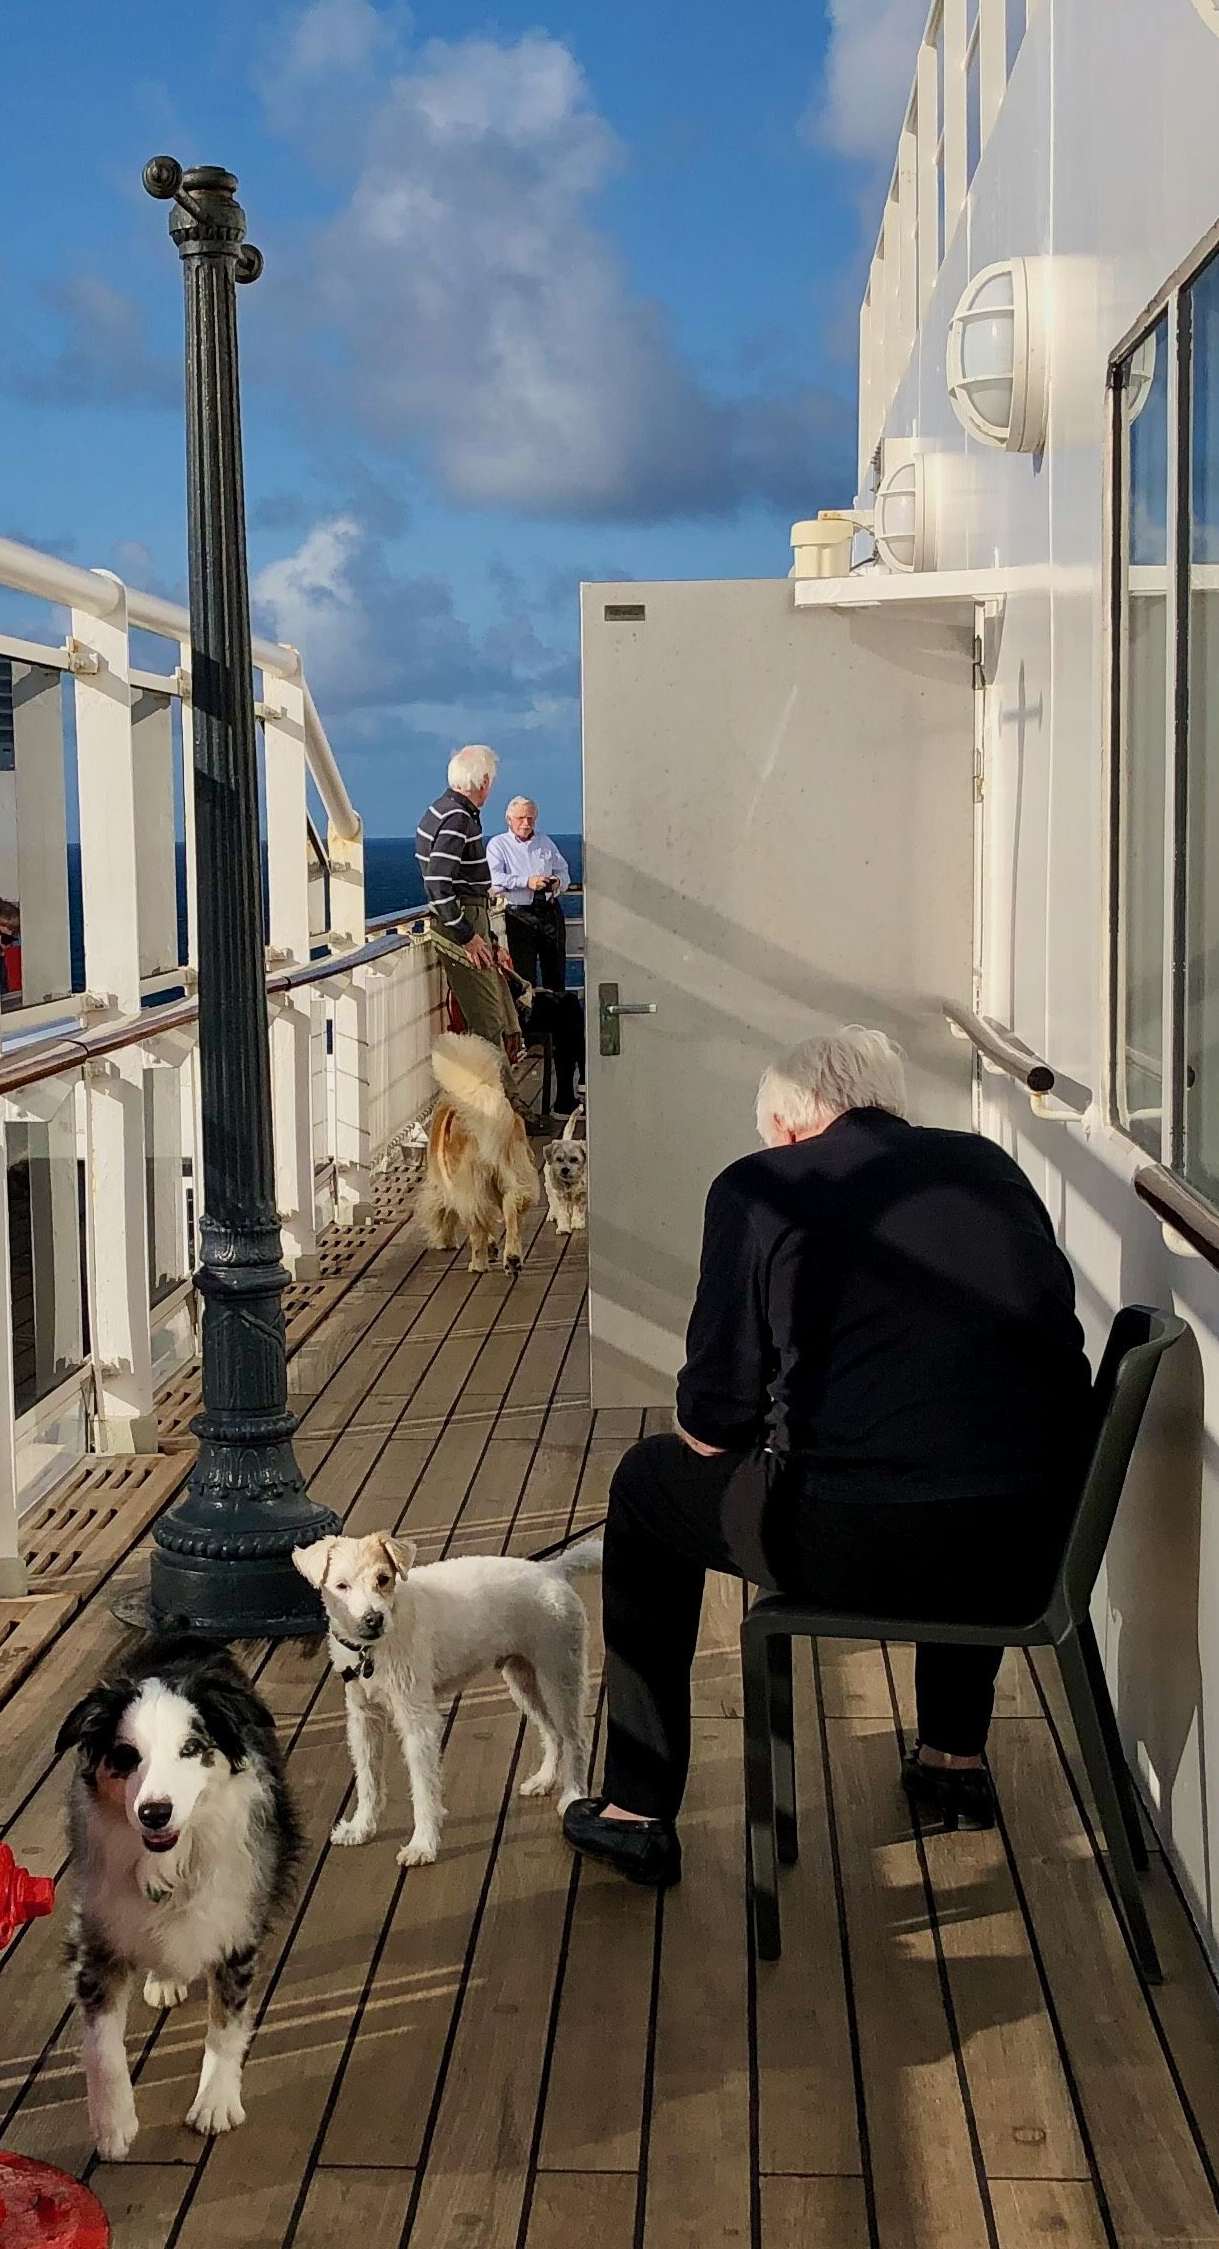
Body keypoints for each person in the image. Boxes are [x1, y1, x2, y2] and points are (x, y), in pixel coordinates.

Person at [564, 1026, 1089, 1884]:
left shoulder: (758, 1188)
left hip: (861, 1548)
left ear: (791, 1124)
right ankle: (952, 1758)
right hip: (1033, 1545)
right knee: (965, 1446)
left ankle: (636, 1807)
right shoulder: (989, 1168)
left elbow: (713, 1422)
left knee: (648, 1485)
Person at [489, 797, 583, 1118]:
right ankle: (533, 1035)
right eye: (520, 818)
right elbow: (495, 882)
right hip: (519, 915)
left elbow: (565, 873)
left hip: (548, 912)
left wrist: (555, 883)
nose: (526, 823)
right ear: (508, 819)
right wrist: (526, 882)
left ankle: (559, 1040)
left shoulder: (545, 843)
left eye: (530, 818)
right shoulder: (499, 846)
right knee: (526, 979)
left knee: (557, 979)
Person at [414, 746, 502, 962]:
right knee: (486, 996)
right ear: (483, 782)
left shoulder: (439, 809)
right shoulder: (457, 818)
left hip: (466, 917)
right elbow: (437, 883)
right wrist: (467, 935)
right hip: (466, 916)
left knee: (498, 993)